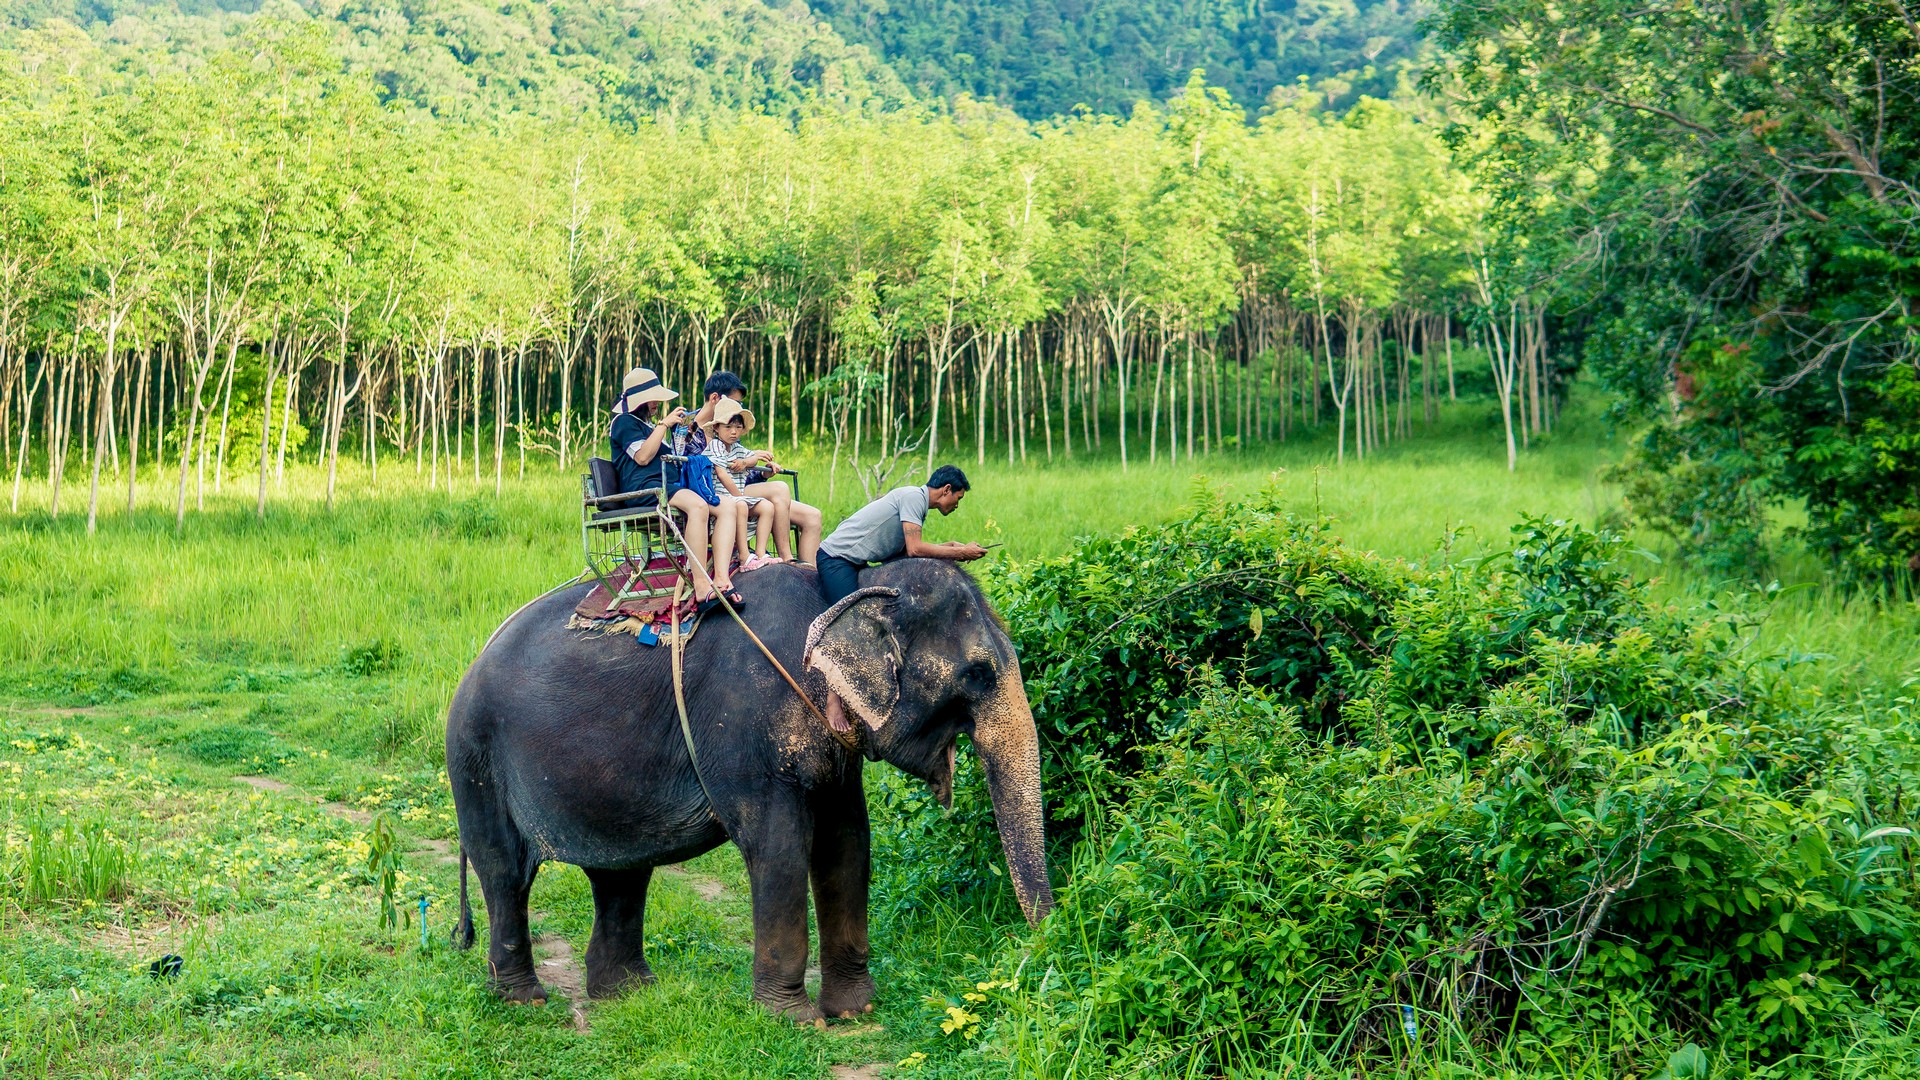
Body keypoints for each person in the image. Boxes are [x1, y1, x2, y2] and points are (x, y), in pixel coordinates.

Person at [608, 367, 746, 611]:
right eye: (653, 400)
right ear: (639, 400)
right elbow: (642, 457)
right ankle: (702, 586)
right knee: (698, 505)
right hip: (646, 489)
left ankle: (722, 578)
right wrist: (664, 424)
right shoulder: (624, 423)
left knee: (726, 505)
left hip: (668, 486)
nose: (656, 404)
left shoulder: (649, 425)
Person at [688, 371, 823, 566]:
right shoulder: (687, 431)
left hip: (738, 487)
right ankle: (787, 557)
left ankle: (809, 575)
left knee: (812, 516)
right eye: (736, 402)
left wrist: (761, 468)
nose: (738, 408)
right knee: (780, 489)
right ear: (715, 398)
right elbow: (693, 471)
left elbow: (742, 467)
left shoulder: (732, 431)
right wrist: (745, 466)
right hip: (714, 492)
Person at [816, 465, 986, 605]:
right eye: (959, 498)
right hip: (836, 558)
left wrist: (949, 547)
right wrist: (961, 553)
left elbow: (904, 553)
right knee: (850, 618)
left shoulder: (917, 502)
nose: (957, 505)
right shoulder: (914, 498)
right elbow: (915, 549)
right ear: (947, 489)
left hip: (855, 562)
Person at [701, 398, 781, 569]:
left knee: (767, 507)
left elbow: (752, 456)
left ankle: (760, 552)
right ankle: (744, 556)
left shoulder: (737, 447)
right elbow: (721, 474)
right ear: (716, 428)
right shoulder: (716, 445)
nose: (733, 432)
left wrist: (746, 462)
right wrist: (740, 496)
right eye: (728, 427)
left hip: (736, 497)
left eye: (738, 427)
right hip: (721, 497)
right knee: (743, 505)